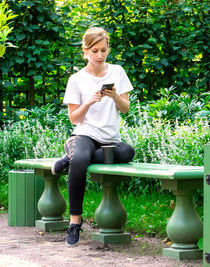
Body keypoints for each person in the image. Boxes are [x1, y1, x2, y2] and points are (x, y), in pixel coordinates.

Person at [51, 27, 135, 247]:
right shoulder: (76, 79)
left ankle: (66, 159)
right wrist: (88, 102)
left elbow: (125, 109)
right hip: (85, 135)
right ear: (85, 51)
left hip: (110, 139)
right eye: (95, 51)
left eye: (104, 50)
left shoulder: (117, 71)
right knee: (79, 160)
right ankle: (75, 222)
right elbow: (74, 118)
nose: (99, 55)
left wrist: (115, 95)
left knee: (127, 151)